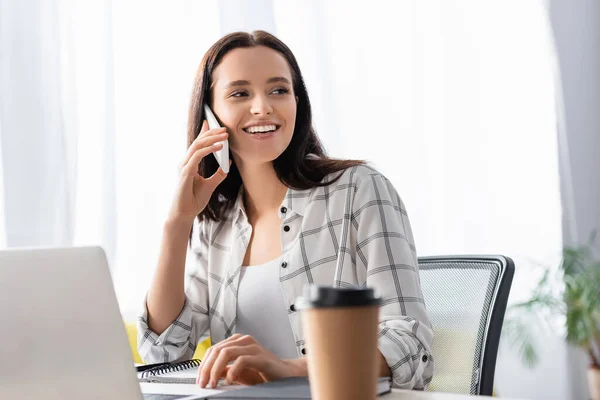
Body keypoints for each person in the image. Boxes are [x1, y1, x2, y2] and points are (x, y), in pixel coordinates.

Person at [137, 30, 433, 390]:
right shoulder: (216, 224)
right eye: (240, 93)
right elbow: (162, 354)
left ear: (297, 102)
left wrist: (288, 368)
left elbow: (411, 346)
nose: (263, 106)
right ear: (209, 117)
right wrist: (178, 222)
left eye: (278, 90)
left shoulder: (358, 189)